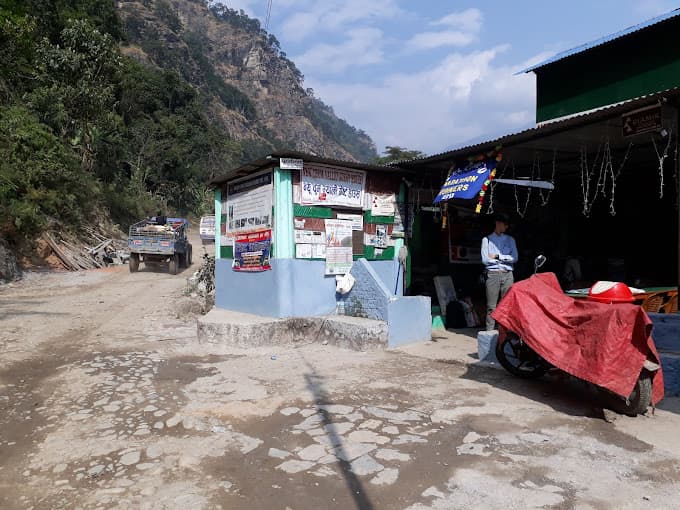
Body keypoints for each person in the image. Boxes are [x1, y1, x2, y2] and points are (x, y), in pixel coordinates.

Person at [481, 212, 518, 331]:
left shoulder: (510, 240)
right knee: (491, 306)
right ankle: (490, 334)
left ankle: (504, 334)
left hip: (508, 275)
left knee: (506, 305)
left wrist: (498, 257)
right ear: (498, 223)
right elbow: (485, 260)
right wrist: (506, 259)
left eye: (507, 225)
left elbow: (515, 258)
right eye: (504, 224)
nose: (506, 227)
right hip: (493, 275)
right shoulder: (486, 240)